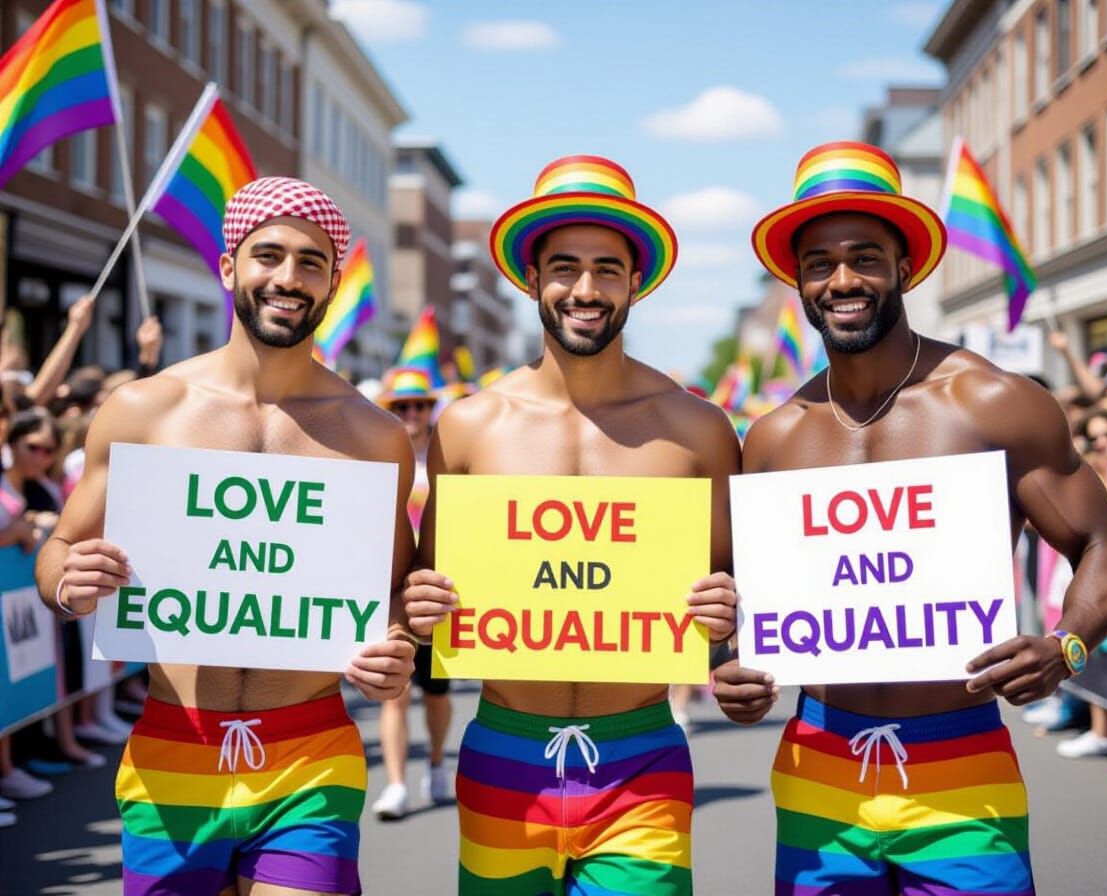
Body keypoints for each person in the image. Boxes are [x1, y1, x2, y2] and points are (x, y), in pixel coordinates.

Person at [713, 141, 1107, 895]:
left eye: (865, 257)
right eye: (819, 263)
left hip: (962, 761)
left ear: (904, 268)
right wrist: (727, 670)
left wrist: (1067, 648)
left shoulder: (993, 402)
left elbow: (1103, 546)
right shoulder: (776, 436)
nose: (843, 279)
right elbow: (733, 593)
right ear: (799, 282)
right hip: (819, 760)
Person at [35, 177, 418, 896]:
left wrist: (396, 645)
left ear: (333, 284)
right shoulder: (145, 409)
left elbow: (395, 588)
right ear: (227, 268)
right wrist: (65, 581)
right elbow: (57, 548)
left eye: (311, 262)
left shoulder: (373, 435)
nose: (288, 277)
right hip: (173, 745)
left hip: (312, 753)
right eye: (267, 255)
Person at [403, 155, 741, 894]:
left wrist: (730, 629)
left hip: (643, 755)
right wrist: (416, 614)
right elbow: (423, 603)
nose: (584, 290)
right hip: (504, 751)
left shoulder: (698, 430)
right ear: (532, 281)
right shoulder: (468, 426)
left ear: (635, 282)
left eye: (606, 270)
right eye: (564, 268)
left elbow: (738, 602)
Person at [371, 367, 453, 819]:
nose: (412, 413)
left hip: (438, 595)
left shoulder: (446, 456)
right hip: (390, 591)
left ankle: (438, 763)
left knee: (436, 695)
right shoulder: (379, 454)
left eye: (420, 404)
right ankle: (398, 785)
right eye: (402, 406)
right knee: (394, 691)